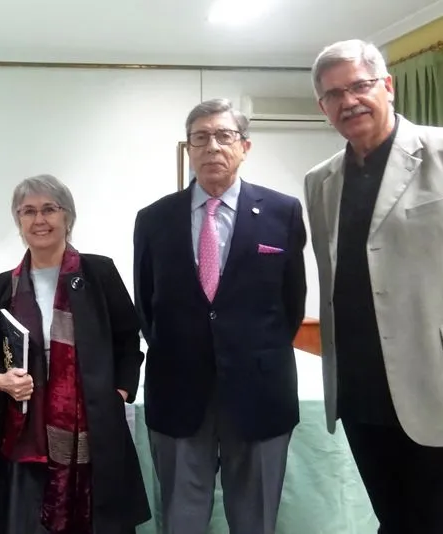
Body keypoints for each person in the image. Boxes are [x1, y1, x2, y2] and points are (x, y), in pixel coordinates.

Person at [303, 39, 443, 534]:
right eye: (334, 94)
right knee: (395, 520)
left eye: (360, 86)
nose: (349, 101)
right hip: (363, 390)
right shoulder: (320, 180)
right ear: (323, 108)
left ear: (387, 85)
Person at [133, 98, 307, 534]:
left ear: (244, 146)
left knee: (255, 518)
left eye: (224, 136)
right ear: (188, 149)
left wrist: (249, 350)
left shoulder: (282, 212)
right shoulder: (154, 219)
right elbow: (146, 304)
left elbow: (292, 303)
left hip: (260, 390)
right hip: (178, 391)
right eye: (200, 137)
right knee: (181, 518)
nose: (212, 146)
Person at [0, 174, 150, 534]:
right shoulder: (2, 287)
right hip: (25, 433)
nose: (39, 220)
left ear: (67, 217)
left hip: (92, 430)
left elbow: (128, 339)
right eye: (28, 212)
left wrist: (118, 392)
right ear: (18, 221)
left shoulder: (98, 273)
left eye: (49, 210)